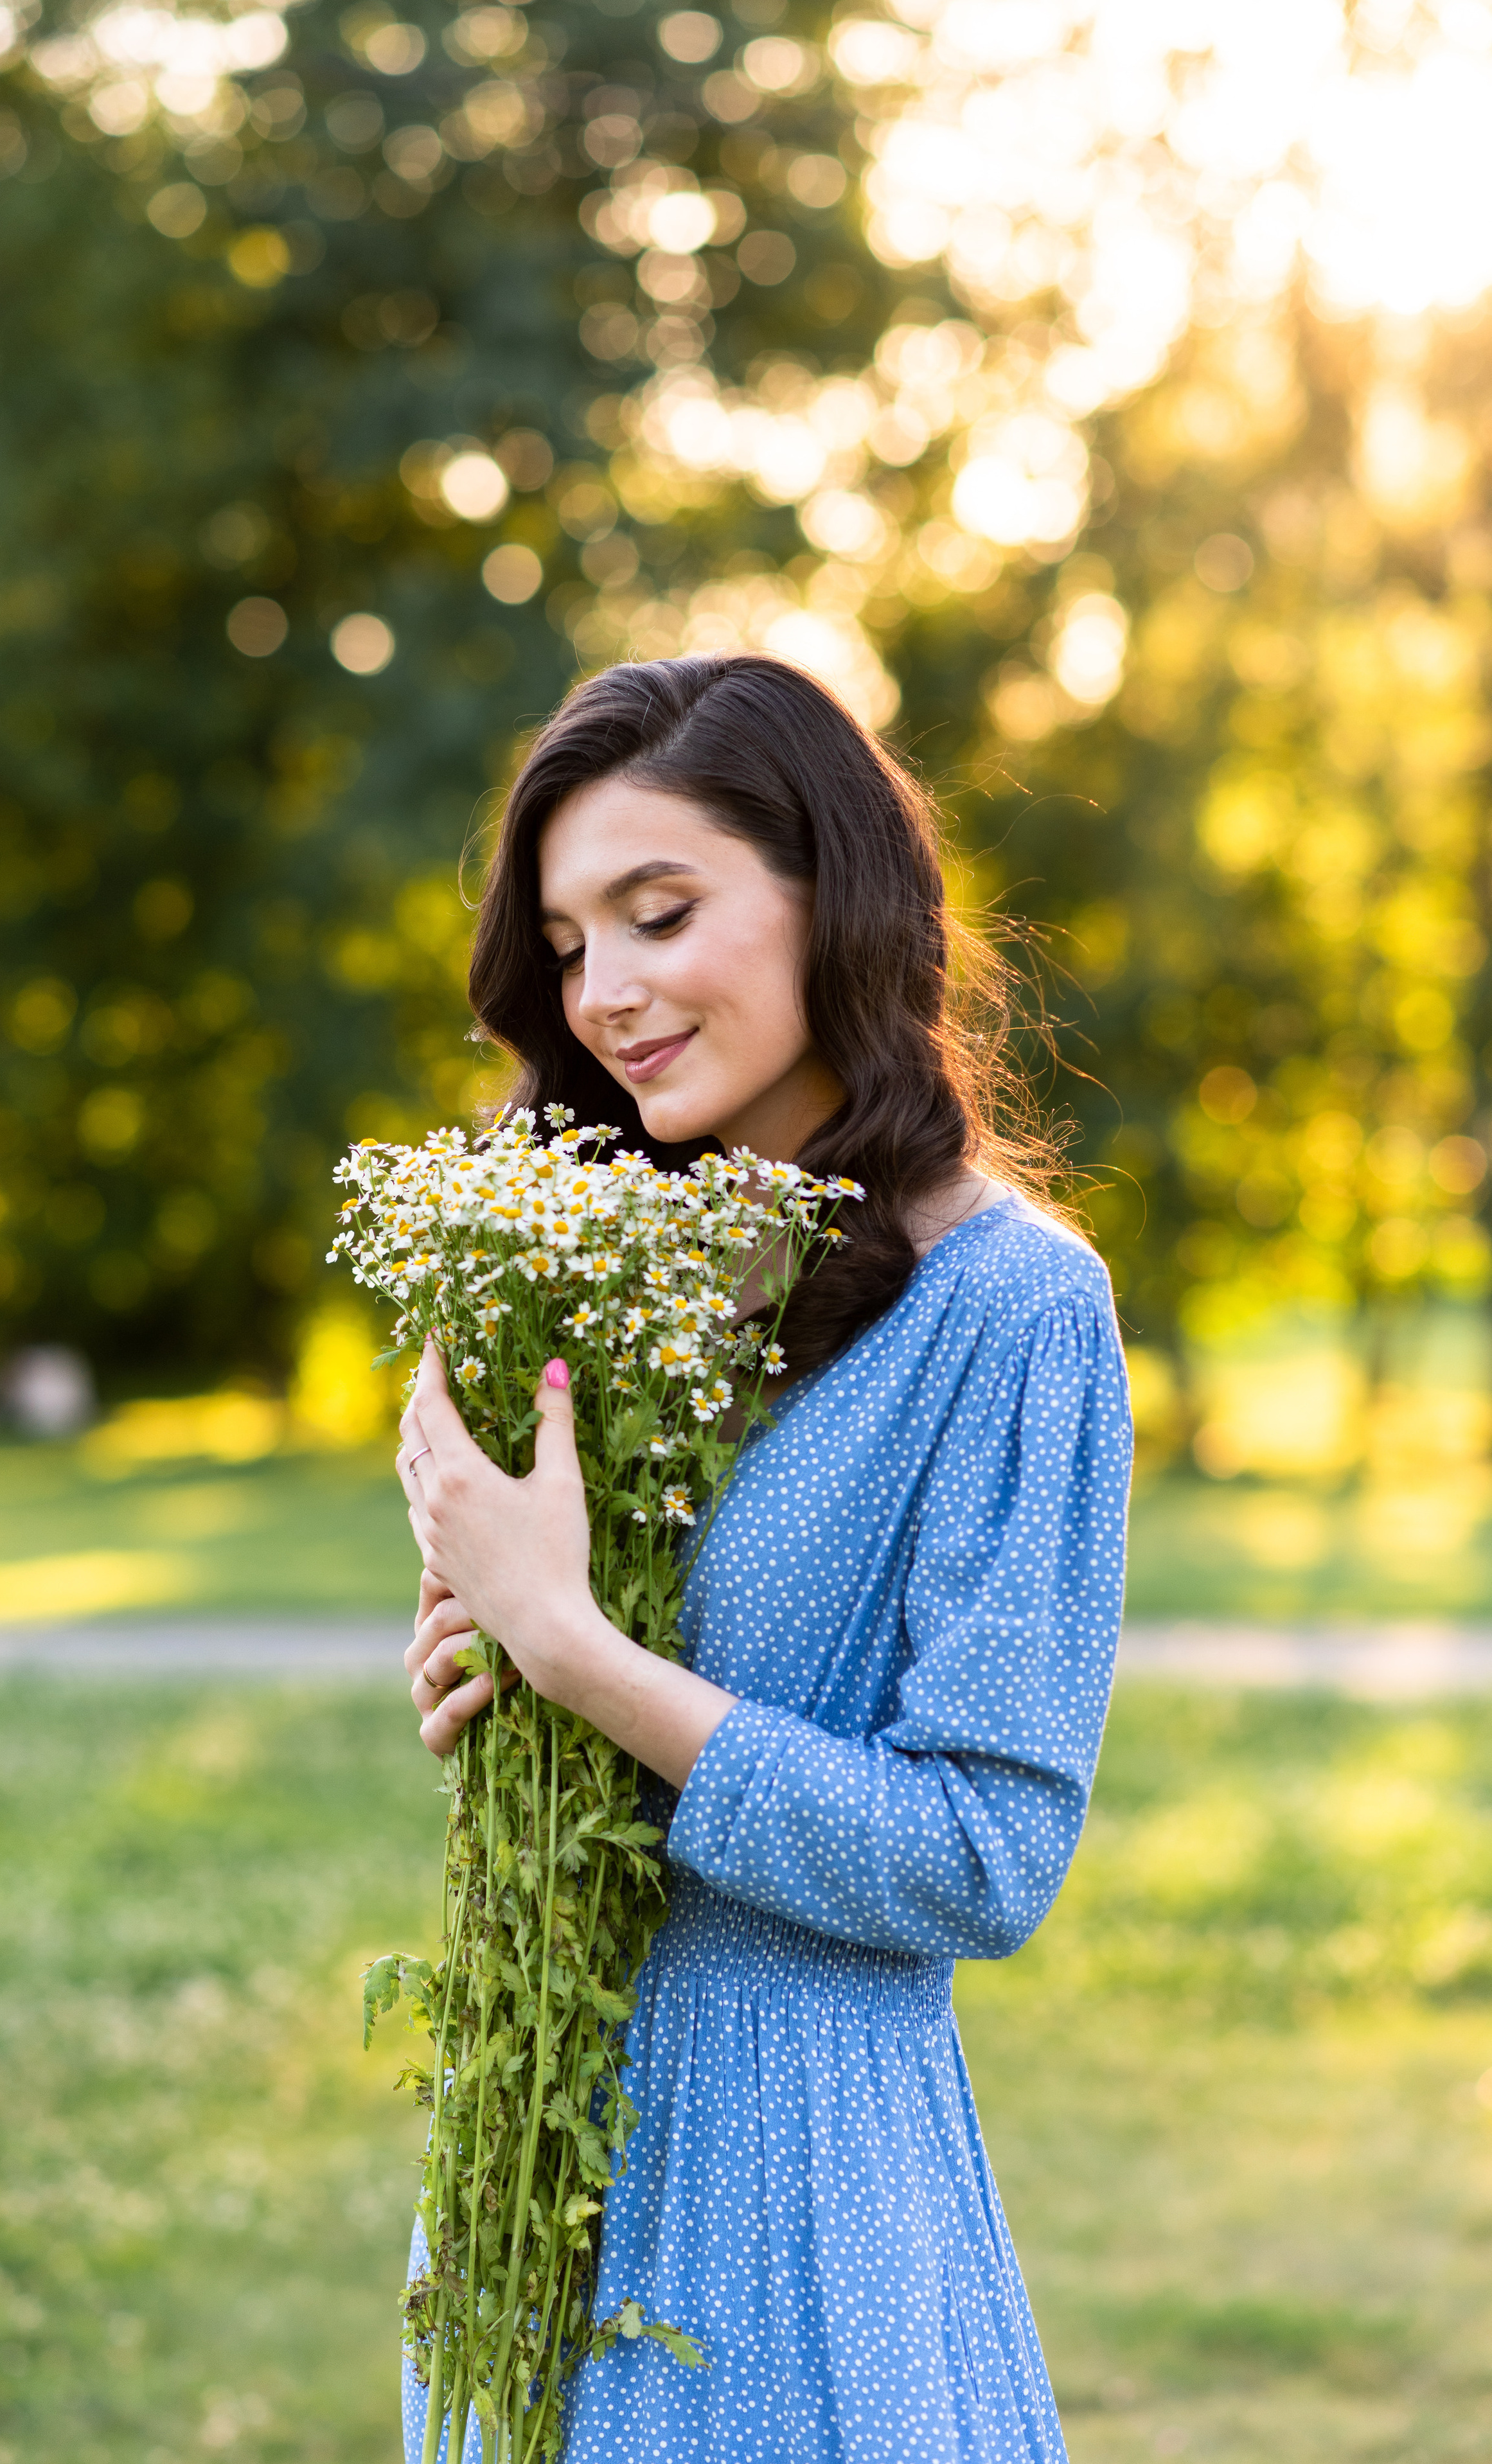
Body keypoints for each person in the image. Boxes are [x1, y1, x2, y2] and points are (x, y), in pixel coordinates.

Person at [395, 651, 1132, 2462]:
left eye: (662, 912)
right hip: (535, 2184)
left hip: (809, 2208)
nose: (608, 992)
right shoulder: (595, 1276)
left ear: (836, 893)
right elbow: (575, 1677)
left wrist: (578, 1653)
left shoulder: (1015, 1312)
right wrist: (487, 1675)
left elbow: (983, 1854)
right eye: (569, 944)